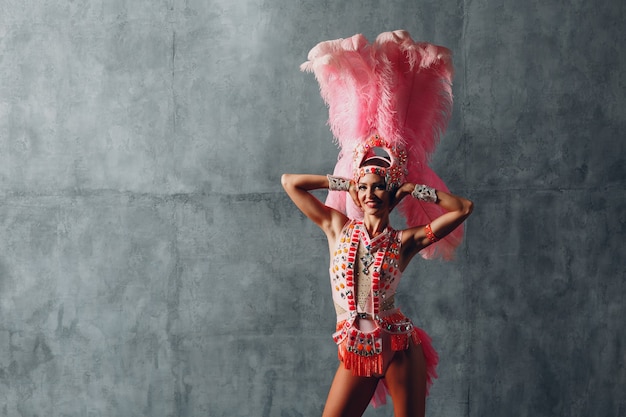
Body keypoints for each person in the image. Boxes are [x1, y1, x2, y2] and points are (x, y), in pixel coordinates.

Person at [284, 30, 474, 416]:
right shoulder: (337, 227)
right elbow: (291, 183)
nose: (372, 194)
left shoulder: (405, 241)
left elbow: (462, 208)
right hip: (356, 349)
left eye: (381, 188)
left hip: (400, 346)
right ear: (357, 193)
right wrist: (343, 182)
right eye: (365, 187)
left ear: (390, 195)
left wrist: (414, 190)